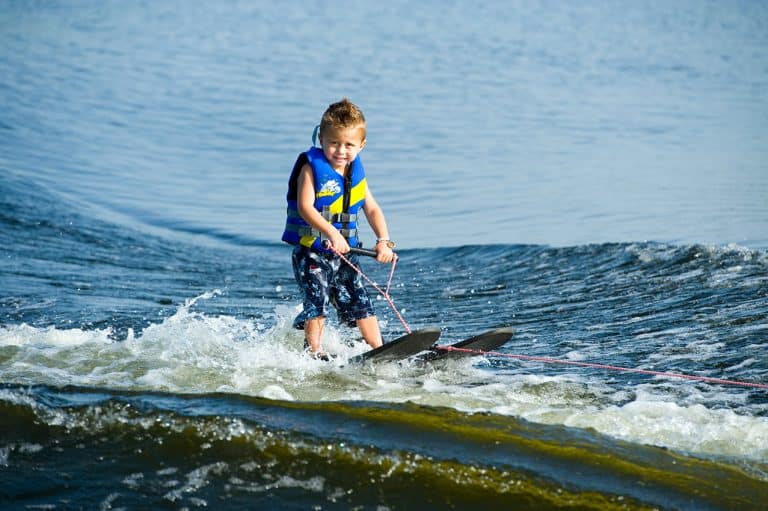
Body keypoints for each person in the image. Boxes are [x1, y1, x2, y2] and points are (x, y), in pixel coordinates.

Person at [282, 98, 396, 360]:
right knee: (317, 301)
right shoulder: (311, 169)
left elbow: (373, 209)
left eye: (349, 145)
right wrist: (331, 233)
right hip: (312, 252)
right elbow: (305, 207)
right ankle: (314, 352)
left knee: (360, 299)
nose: (341, 150)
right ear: (321, 138)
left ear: (361, 145)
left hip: (346, 252)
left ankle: (378, 349)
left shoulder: (354, 173)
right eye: (334, 143)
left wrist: (384, 240)